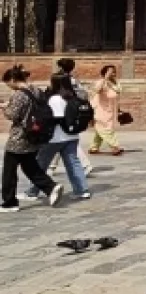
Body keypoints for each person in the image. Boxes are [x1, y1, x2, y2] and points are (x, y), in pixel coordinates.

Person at [2, 65, 63, 213]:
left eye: (7, 83)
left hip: (19, 137)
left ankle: (10, 202)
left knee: (9, 171)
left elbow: (13, 115)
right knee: (30, 166)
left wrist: (4, 108)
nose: (8, 86)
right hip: (34, 135)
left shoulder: (19, 95)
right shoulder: (35, 90)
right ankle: (50, 187)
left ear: (12, 79)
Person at [36, 72, 91, 200]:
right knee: (73, 163)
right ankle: (82, 190)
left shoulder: (56, 99)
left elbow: (57, 118)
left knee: (40, 165)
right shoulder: (74, 96)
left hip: (56, 137)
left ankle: (32, 192)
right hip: (72, 136)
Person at [45, 59, 93, 175]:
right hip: (72, 110)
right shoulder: (75, 81)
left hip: (64, 110)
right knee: (62, 138)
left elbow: (51, 92)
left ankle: (85, 164)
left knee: (64, 138)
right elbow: (84, 95)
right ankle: (51, 166)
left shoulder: (61, 79)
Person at [89, 65, 123, 155]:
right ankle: (115, 146)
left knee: (101, 129)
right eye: (111, 72)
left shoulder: (115, 83)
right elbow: (97, 90)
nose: (113, 73)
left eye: (114, 71)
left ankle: (94, 147)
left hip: (111, 110)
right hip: (100, 109)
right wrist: (105, 79)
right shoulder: (101, 82)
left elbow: (117, 94)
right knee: (106, 129)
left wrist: (119, 109)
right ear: (105, 73)